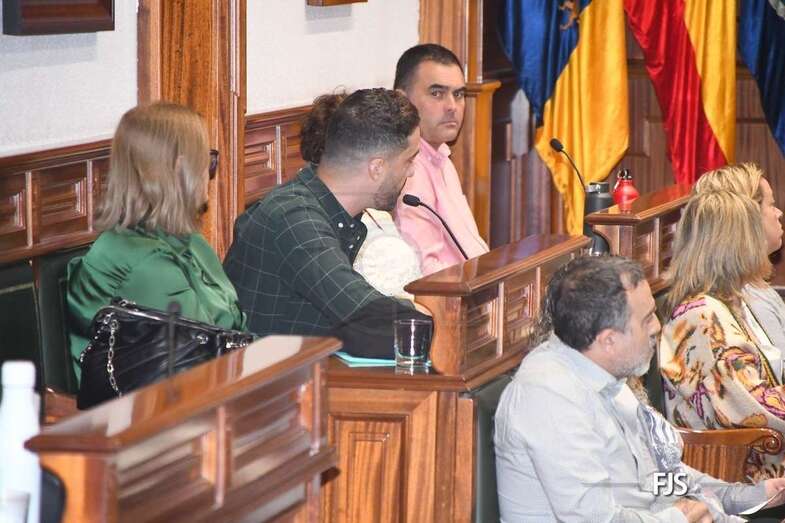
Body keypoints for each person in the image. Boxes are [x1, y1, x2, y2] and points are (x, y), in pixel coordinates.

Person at [494, 255, 785, 522]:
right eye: (647, 319)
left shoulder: (605, 372)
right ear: (608, 340)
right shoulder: (547, 398)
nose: (657, 327)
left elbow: (659, 478)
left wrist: (746, 496)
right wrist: (680, 518)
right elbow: (596, 519)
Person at [223, 88, 431, 357]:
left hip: (301, 372)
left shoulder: (329, 212)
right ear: (377, 168)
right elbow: (366, 316)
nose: (412, 171)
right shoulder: (293, 218)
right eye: (409, 159)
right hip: (265, 380)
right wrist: (435, 319)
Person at [67, 102, 246, 382]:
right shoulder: (143, 263)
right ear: (179, 168)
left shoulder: (189, 240)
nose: (210, 173)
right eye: (208, 160)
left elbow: (232, 332)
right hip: (154, 403)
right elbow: (200, 362)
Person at [660, 190, 785, 480]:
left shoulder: (721, 303)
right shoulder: (703, 319)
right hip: (740, 471)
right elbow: (754, 409)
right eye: (753, 233)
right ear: (736, 245)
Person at [299, 92, 422, 300]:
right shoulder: (302, 221)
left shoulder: (371, 215)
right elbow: (358, 307)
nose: (412, 171)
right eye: (409, 160)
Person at [393, 44, 489, 275]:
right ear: (402, 100)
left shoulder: (442, 157)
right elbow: (425, 271)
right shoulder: (408, 171)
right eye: (437, 93)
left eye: (458, 94)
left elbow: (469, 247)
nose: (452, 107)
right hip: (454, 293)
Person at [693, 163, 785, 350]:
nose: (779, 213)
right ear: (749, 220)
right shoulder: (752, 302)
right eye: (771, 205)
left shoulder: (753, 284)